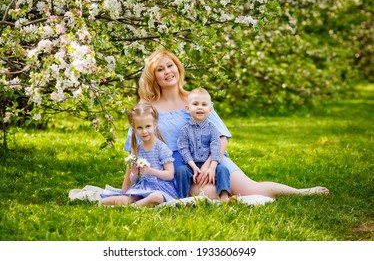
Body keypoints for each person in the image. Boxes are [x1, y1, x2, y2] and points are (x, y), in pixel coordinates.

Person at [124, 49, 329, 199]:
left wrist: (209, 166)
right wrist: (125, 191)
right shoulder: (147, 106)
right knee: (210, 194)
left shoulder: (195, 99)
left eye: (170, 66)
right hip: (179, 169)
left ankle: (301, 192)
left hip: (212, 160)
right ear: (154, 76)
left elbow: (222, 138)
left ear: (178, 69)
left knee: (252, 189)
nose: (167, 72)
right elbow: (135, 150)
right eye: (160, 69)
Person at [100, 103, 178, 207]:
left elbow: (170, 175)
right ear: (134, 128)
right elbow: (135, 180)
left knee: (156, 197)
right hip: (144, 187)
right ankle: (123, 202)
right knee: (126, 198)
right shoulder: (138, 149)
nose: (144, 131)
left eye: (148, 126)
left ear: (154, 125)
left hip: (161, 188)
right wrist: (134, 173)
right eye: (140, 127)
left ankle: (134, 206)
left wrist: (151, 171)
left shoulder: (162, 148)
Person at [177, 87, 231, 201]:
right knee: (181, 171)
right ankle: (183, 198)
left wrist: (212, 167)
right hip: (191, 165)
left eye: (204, 104)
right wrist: (193, 167)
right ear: (188, 108)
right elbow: (184, 149)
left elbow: (216, 147)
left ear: (210, 109)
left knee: (223, 170)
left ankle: (224, 197)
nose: (200, 107)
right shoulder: (185, 130)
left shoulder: (212, 128)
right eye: (195, 104)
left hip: (210, 164)